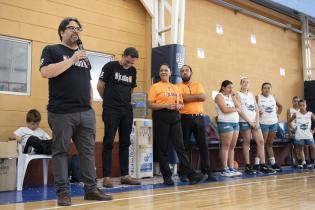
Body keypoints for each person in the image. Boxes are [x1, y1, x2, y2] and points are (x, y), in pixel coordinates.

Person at [40, 17, 112, 206]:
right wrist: (72, 59)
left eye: (78, 28)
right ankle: (63, 193)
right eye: (71, 28)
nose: (75, 31)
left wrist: (90, 106)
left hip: (85, 113)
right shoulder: (52, 50)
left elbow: (87, 82)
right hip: (61, 112)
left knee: (87, 153)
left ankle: (91, 189)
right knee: (60, 152)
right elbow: (46, 72)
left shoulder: (83, 56)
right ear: (62, 31)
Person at [148, 64, 208, 185]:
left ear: (170, 73)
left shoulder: (175, 87)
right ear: (159, 73)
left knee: (180, 147)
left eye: (166, 70)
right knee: (162, 148)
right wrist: (165, 105)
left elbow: (181, 103)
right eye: (161, 70)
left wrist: (179, 106)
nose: (163, 72)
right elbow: (151, 105)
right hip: (161, 116)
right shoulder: (155, 87)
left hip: (175, 116)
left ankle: (191, 175)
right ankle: (167, 177)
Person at [97, 47, 141, 188]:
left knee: (125, 142)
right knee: (109, 141)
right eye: (128, 61)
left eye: (132, 63)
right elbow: (100, 86)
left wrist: (124, 101)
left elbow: (131, 89)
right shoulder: (110, 66)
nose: (129, 65)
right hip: (111, 110)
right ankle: (106, 177)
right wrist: (108, 101)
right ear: (123, 56)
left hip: (126, 110)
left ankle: (125, 175)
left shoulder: (133, 71)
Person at [176, 65, 211, 181]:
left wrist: (188, 97)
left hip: (199, 118)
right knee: (184, 146)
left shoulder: (198, 85)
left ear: (191, 72)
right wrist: (195, 97)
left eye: (186, 70)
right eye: (182, 71)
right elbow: (182, 98)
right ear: (180, 74)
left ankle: (206, 172)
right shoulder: (177, 86)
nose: (184, 72)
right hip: (184, 118)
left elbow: (203, 97)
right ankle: (184, 173)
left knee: (203, 145)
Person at [235, 77, 274, 174]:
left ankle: (263, 165)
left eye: (247, 82)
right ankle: (248, 166)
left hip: (254, 122)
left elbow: (256, 108)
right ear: (240, 83)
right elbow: (240, 111)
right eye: (244, 82)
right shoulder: (237, 94)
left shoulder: (251, 94)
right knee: (246, 143)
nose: (245, 83)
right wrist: (250, 122)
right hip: (244, 121)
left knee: (261, 141)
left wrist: (256, 122)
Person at [215, 80, 245, 177]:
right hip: (225, 122)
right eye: (229, 87)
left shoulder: (231, 97)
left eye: (232, 87)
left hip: (235, 123)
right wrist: (236, 109)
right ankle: (224, 169)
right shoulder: (219, 96)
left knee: (232, 146)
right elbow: (224, 110)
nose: (231, 89)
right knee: (226, 145)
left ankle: (231, 167)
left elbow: (240, 108)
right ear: (223, 87)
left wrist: (234, 97)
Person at [256, 82, 283, 172]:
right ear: (262, 89)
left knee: (270, 144)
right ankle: (257, 164)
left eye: (268, 88)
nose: (267, 89)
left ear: (270, 89)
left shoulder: (273, 97)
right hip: (263, 123)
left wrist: (278, 114)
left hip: (273, 123)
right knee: (261, 144)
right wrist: (256, 114)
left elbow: (280, 106)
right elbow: (252, 109)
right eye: (265, 88)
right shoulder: (257, 97)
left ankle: (273, 163)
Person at [288, 99, 315, 169]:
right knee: (301, 148)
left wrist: (313, 130)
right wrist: (293, 129)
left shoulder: (310, 114)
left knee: (313, 147)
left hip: (308, 134)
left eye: (303, 105)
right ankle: (303, 162)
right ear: (298, 106)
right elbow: (289, 121)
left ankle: (312, 161)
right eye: (300, 105)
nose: (302, 107)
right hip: (299, 135)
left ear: (306, 105)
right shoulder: (296, 114)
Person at [287, 96, 305, 168]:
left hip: (302, 131)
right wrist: (290, 132)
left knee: (302, 147)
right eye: (294, 101)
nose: (296, 102)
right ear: (292, 101)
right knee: (297, 146)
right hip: (293, 131)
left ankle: (304, 161)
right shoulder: (290, 110)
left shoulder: (302, 110)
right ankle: (299, 161)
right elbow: (288, 122)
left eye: (297, 101)